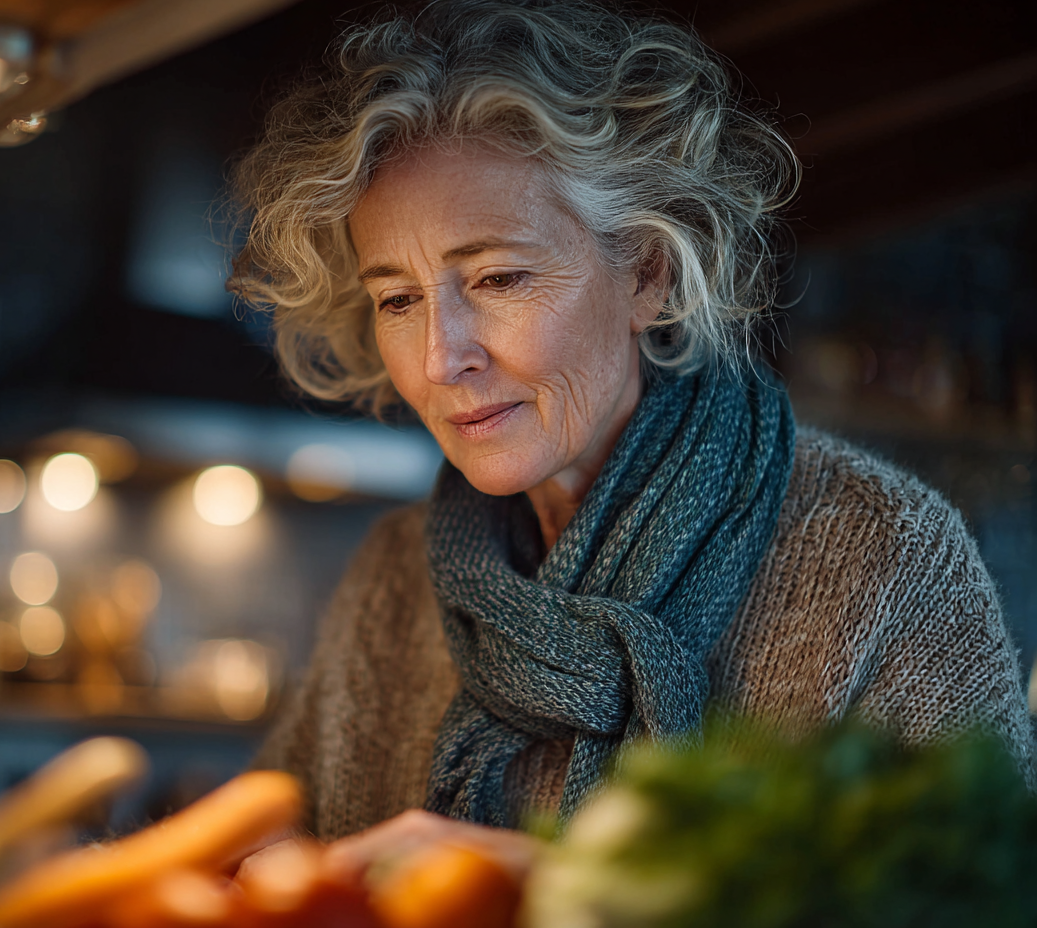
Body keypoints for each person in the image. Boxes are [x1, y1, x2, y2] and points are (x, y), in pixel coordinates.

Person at [227, 0, 1033, 881]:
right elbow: (267, 862)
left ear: (647, 272)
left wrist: (570, 894)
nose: (439, 358)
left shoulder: (886, 559)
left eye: (498, 277)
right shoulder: (390, 578)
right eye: (398, 297)